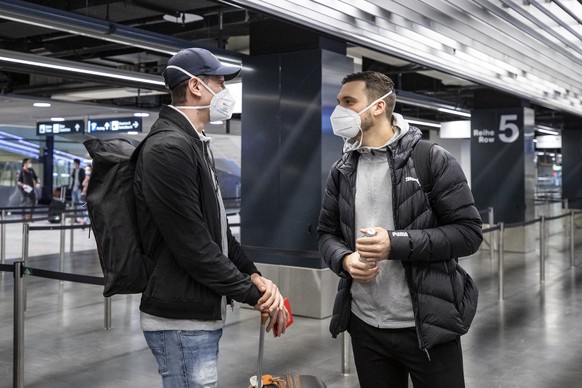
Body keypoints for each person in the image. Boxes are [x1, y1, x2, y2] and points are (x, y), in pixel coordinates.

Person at [133, 47, 289, 388]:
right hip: (180, 321)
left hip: (197, 313)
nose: (225, 91)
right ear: (195, 87)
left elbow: (219, 232)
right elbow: (194, 246)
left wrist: (253, 274)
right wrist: (255, 295)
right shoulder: (168, 149)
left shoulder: (194, 144)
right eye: (219, 81)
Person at [317, 71, 482, 388]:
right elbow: (326, 233)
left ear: (378, 106)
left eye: (349, 102)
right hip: (366, 327)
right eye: (339, 103)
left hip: (426, 325)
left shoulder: (431, 159)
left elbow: (469, 233)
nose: (339, 112)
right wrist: (344, 260)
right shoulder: (342, 169)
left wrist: (396, 243)